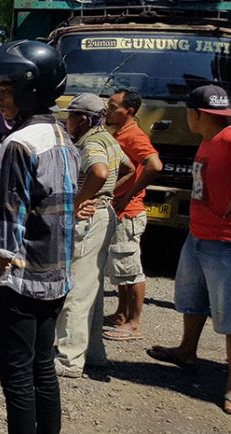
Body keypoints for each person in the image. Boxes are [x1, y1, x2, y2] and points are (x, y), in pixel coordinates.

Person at [0, 40, 79, 434]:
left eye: (5, 89)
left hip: (22, 283)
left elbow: (5, 231)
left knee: (16, 378)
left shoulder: (19, 144)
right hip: (57, 279)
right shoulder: (63, 137)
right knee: (43, 370)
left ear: (30, 87)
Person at [147, 85, 231, 415]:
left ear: (195, 114)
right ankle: (187, 351)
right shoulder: (208, 140)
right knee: (192, 299)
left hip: (227, 243)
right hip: (198, 235)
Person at [54, 93, 135, 378]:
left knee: (76, 289)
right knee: (93, 288)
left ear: (85, 119)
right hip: (103, 215)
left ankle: (68, 359)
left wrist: (79, 202)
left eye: (72, 116)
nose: (68, 121)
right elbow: (129, 168)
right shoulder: (108, 138)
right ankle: (94, 353)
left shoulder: (91, 142)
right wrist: (108, 197)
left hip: (89, 219)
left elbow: (99, 172)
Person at [102, 88, 163, 341]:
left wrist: (128, 196)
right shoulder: (119, 132)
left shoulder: (134, 135)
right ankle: (121, 314)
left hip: (129, 212)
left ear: (129, 111)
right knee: (120, 267)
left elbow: (154, 164)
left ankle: (133, 323)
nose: (109, 109)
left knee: (130, 268)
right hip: (120, 210)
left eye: (114, 106)